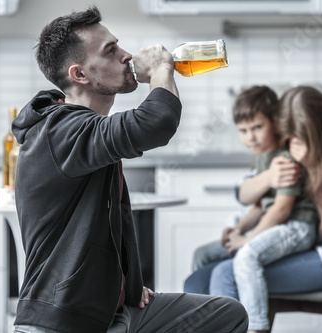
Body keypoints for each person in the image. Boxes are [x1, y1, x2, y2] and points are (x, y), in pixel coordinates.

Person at [12, 6, 248, 333]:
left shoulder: (87, 131)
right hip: (64, 320)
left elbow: (108, 223)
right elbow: (156, 122)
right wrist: (163, 68)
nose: (126, 56)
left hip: (113, 309)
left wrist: (125, 287)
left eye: (119, 45)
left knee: (226, 314)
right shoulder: (60, 131)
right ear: (79, 75)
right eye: (110, 52)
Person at [192, 85, 322, 333]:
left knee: (225, 273)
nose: (290, 145)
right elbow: (245, 192)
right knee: (197, 279)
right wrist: (269, 180)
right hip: (304, 244)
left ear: (314, 128)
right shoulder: (295, 146)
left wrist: (311, 165)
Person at [186, 86, 319, 333]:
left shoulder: (285, 158)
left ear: (276, 122)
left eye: (257, 128)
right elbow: (260, 205)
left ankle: (256, 328)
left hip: (295, 226)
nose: (251, 137)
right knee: (203, 254)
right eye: (243, 131)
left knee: (246, 256)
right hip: (276, 225)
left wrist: (247, 240)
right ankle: (209, 322)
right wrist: (239, 228)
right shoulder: (263, 158)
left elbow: (281, 210)